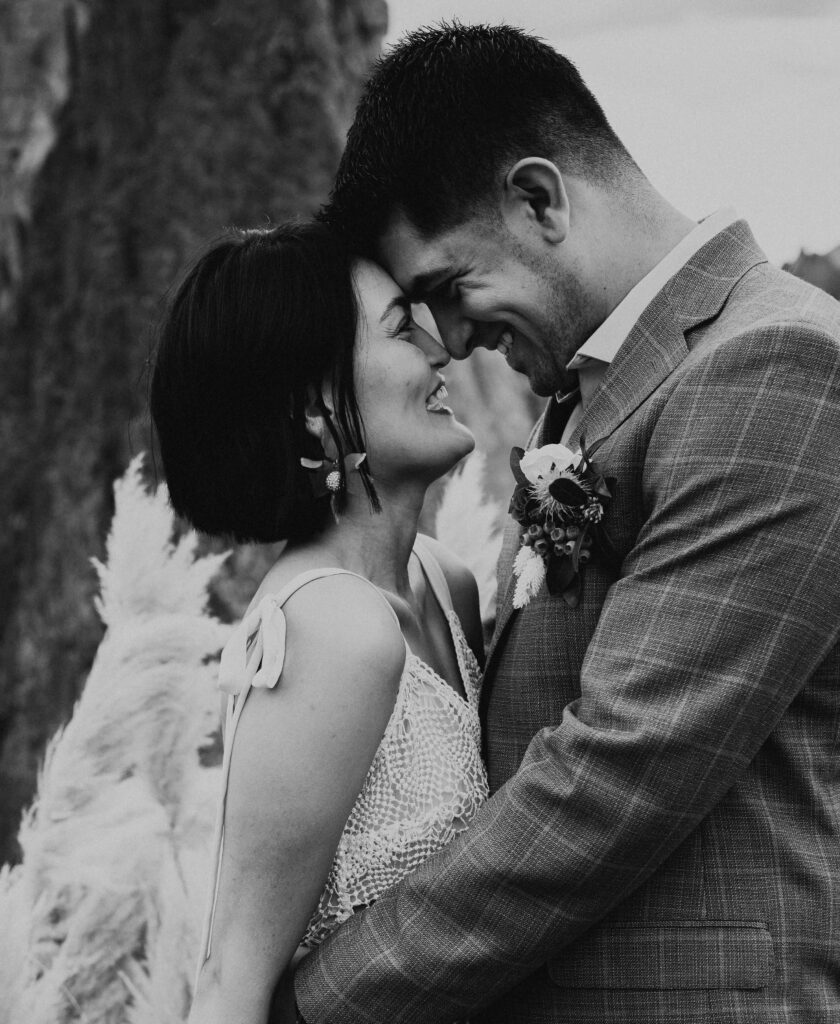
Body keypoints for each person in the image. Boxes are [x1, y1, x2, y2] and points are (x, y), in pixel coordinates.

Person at [290, 23, 840, 1024]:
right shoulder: (592, 390)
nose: (452, 344)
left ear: (539, 199)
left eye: (449, 292)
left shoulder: (780, 366)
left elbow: (616, 772)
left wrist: (313, 1002)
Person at [149, 221, 489, 1024]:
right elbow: (232, 980)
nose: (441, 352)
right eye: (403, 328)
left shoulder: (448, 585)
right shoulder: (335, 631)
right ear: (315, 406)